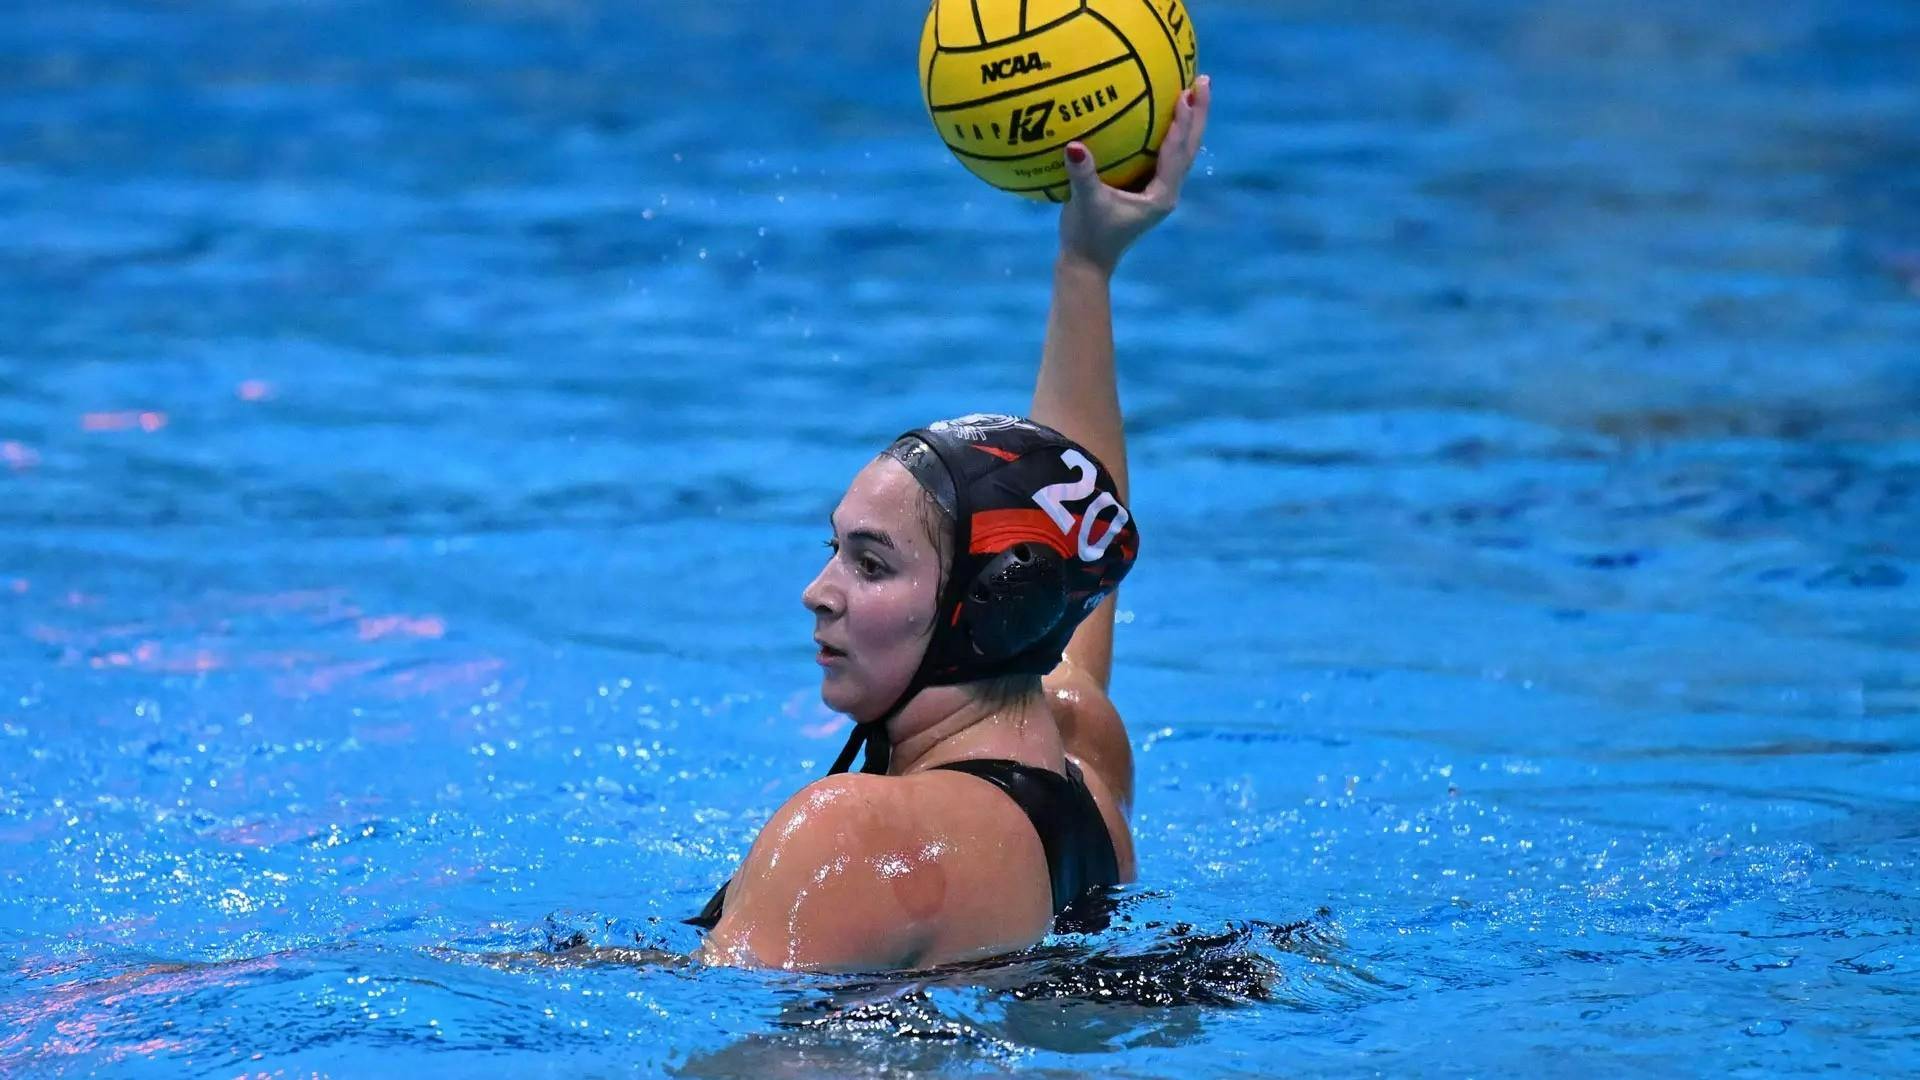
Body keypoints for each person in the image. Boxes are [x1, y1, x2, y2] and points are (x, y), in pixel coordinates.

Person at [693, 76, 1214, 972]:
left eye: (870, 563)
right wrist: (1086, 265)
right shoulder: (1084, 759)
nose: (818, 593)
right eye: (835, 550)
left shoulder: (850, 837)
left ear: (984, 610)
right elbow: (1075, 542)